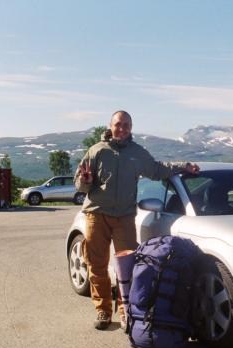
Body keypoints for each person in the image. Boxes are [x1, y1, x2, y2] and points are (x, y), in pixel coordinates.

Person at [74, 110, 199, 330]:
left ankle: (125, 311)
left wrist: (183, 166)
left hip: (124, 216)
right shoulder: (96, 151)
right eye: (118, 124)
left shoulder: (137, 153)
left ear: (131, 128)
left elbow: (158, 170)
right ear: (110, 126)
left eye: (126, 125)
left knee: (127, 267)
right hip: (97, 213)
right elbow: (80, 183)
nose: (122, 129)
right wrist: (85, 182)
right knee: (97, 264)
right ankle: (102, 310)